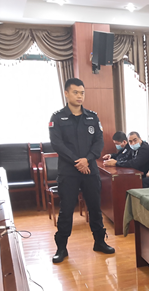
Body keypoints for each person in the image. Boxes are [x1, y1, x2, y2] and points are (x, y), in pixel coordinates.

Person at [49, 78, 115, 264]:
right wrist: (77, 161)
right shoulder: (57, 118)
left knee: (94, 207)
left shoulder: (92, 117)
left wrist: (87, 159)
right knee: (66, 209)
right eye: (76, 92)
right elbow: (57, 143)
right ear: (66, 93)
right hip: (68, 171)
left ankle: (100, 241)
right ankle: (61, 248)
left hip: (90, 169)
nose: (79, 96)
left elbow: (99, 141)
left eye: (82, 93)